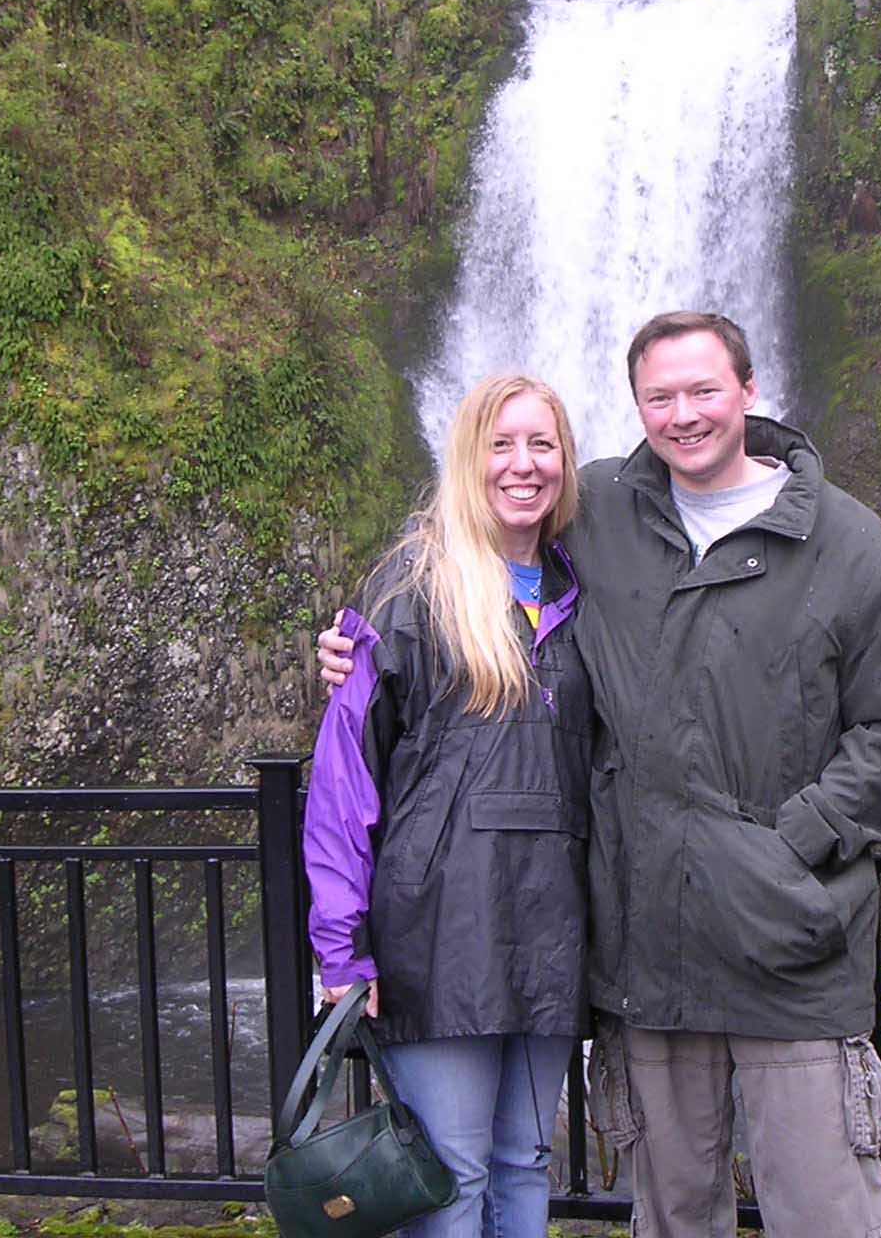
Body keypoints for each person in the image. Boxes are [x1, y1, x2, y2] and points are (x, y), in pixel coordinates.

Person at [322, 312, 881, 1238]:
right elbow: (471, 546)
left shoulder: (852, 548)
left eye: (703, 390)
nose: (684, 414)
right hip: (640, 949)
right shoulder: (601, 515)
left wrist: (796, 845)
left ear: (749, 390)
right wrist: (356, 648)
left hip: (786, 939)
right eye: (660, 396)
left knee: (822, 1213)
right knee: (660, 1213)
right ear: (636, 407)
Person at [301, 372, 593, 1238]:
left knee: (526, 1163)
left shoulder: (584, 592)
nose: (523, 464)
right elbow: (342, 782)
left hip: (550, 926)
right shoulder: (408, 591)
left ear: (566, 461)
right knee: (453, 1175)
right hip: (437, 931)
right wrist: (341, 949)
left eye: (542, 444)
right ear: (467, 456)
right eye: (500, 444)